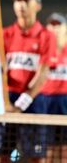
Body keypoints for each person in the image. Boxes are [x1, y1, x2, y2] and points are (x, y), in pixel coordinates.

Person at [0, 0, 57, 163]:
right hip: (7, 101)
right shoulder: (4, 34)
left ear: (38, 5)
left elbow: (43, 74)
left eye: (26, 0)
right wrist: (5, 102)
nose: (21, 5)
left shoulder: (47, 36)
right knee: (0, 155)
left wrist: (21, 105)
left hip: (34, 101)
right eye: (17, 0)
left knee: (37, 157)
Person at [41, 12, 67, 163]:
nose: (54, 28)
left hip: (65, 102)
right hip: (46, 101)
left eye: (58, 25)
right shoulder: (43, 48)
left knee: (64, 150)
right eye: (52, 25)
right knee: (48, 149)